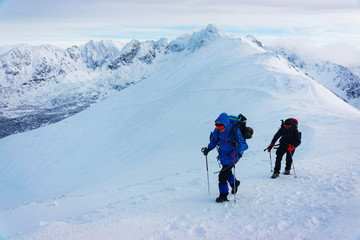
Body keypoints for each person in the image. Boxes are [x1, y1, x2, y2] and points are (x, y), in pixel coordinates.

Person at [202, 113, 248, 203]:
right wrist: (208, 148)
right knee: (227, 172)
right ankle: (235, 183)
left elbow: (245, 146)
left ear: (225, 124)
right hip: (223, 155)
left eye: (220, 127)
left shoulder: (235, 130)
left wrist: (237, 144)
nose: (219, 129)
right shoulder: (218, 130)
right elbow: (214, 140)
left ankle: (223, 196)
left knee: (222, 176)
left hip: (233, 156)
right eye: (217, 127)